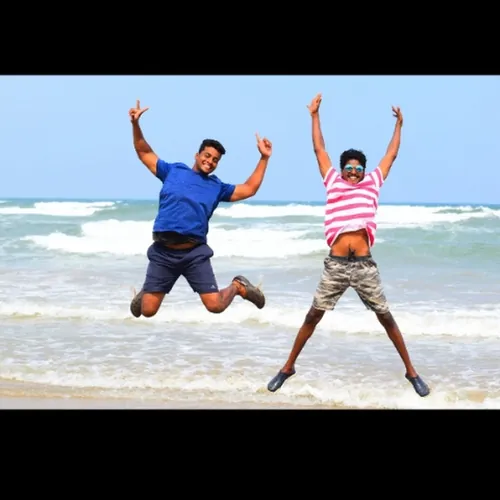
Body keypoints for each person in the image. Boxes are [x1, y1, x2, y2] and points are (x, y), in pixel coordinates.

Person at [267, 93, 430, 398]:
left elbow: (391, 155)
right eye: (349, 168)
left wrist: (399, 125)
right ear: (341, 170)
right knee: (313, 315)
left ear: (364, 171)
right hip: (336, 265)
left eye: (358, 168)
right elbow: (319, 149)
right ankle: (287, 367)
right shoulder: (332, 181)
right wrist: (314, 116)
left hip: (365, 265)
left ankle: (411, 371)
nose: (353, 172)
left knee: (385, 316)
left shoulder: (373, 183)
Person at [128, 100, 271, 318]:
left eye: (215, 160)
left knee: (215, 306)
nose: (210, 161)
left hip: (193, 254)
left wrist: (264, 158)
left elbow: (249, 188)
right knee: (147, 311)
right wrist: (136, 124)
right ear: (197, 155)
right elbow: (143, 151)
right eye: (207, 156)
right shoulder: (173, 171)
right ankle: (147, 292)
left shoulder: (216, 187)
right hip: (163, 252)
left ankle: (238, 286)